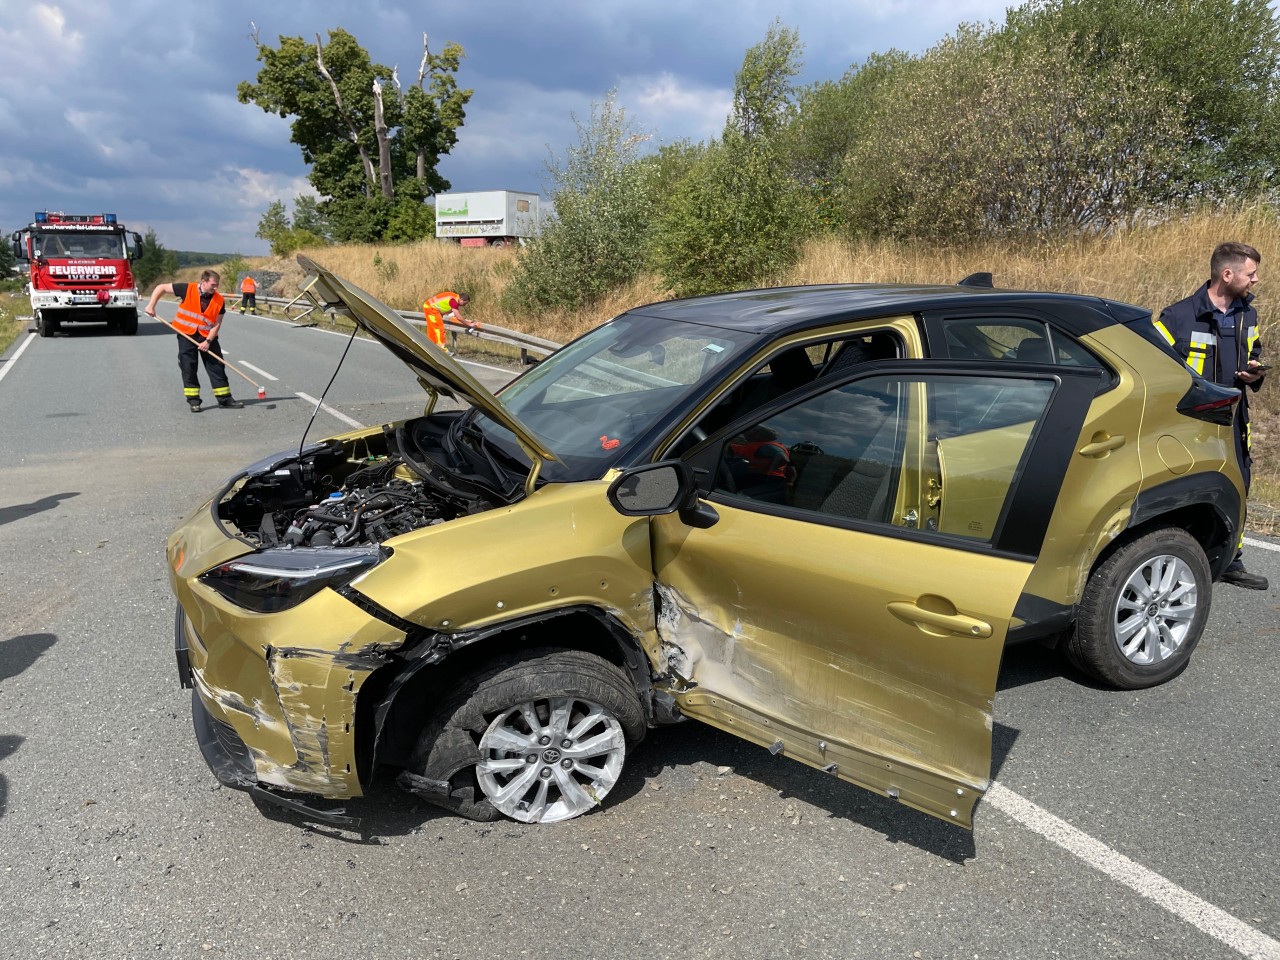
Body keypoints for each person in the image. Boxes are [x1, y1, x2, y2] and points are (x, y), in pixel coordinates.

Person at [1157, 242, 1267, 589]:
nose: (1256, 280)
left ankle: (1230, 559)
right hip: (1190, 422)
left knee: (1237, 484)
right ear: (1227, 274)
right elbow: (1156, 369)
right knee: (1182, 489)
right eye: (1251, 274)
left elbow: (1256, 353)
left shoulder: (1248, 315)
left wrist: (1256, 372)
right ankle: (1176, 559)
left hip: (1234, 420)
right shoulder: (1177, 316)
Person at [145, 269, 243, 412]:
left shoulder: (219, 300)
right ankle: (194, 401)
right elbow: (161, 287)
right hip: (186, 335)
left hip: (207, 337)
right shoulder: (187, 289)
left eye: (217, 285)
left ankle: (225, 399)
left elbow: (217, 324)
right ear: (203, 282)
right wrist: (151, 305)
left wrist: (208, 341)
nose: (216, 288)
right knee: (188, 367)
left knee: (216, 366)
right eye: (213, 285)